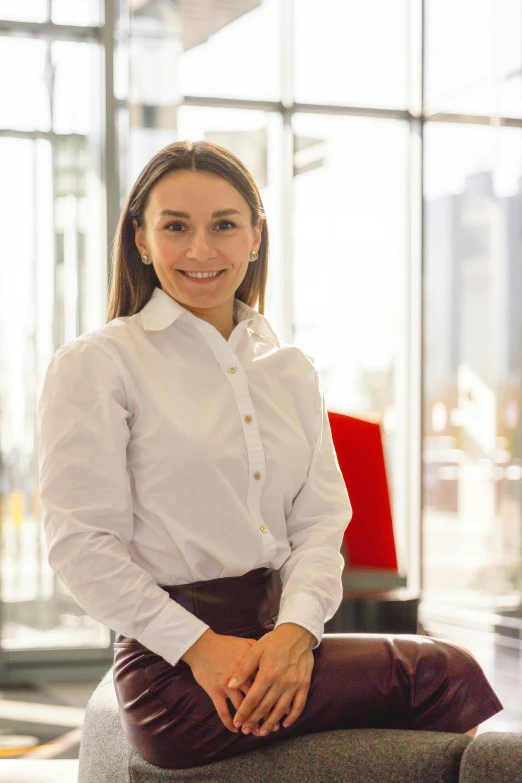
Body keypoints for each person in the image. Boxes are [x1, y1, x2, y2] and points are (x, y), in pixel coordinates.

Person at [38, 140, 502, 770]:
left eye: (224, 226)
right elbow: (80, 543)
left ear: (256, 236)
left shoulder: (289, 370)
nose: (201, 250)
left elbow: (319, 525)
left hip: (277, 639)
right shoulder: (100, 363)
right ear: (141, 240)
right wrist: (202, 648)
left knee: (440, 682)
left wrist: (296, 634)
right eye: (176, 226)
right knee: (445, 676)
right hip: (174, 670)